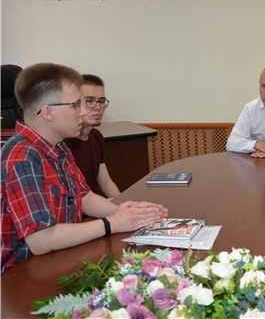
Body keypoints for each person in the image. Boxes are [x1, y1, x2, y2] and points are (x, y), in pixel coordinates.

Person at [1, 63, 168, 274]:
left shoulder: (59, 146)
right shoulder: (22, 157)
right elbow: (40, 240)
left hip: (59, 258)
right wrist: (112, 223)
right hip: (20, 275)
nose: (82, 112)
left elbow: (84, 198)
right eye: (75, 105)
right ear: (48, 112)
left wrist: (131, 213)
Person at [64, 74, 120, 198]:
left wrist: (122, 204)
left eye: (101, 101)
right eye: (89, 101)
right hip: (81, 209)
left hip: (98, 204)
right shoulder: (63, 142)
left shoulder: (96, 136)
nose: (98, 107)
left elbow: (106, 183)